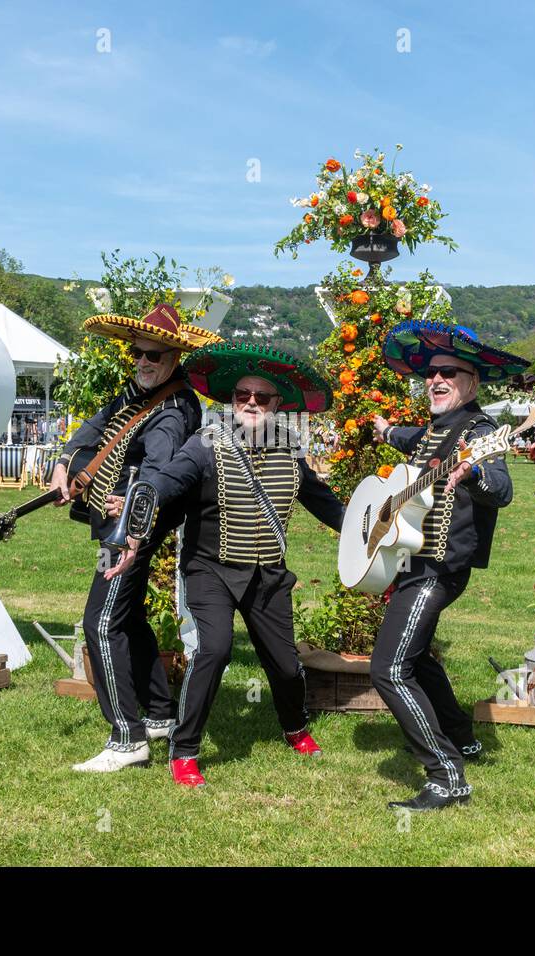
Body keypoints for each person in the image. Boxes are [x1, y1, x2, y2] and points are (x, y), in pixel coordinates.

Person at [106, 343, 344, 788]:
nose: (251, 402)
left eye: (262, 397)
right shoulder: (204, 445)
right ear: (231, 402)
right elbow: (167, 478)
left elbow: (326, 505)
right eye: (242, 395)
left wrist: (368, 532)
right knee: (213, 650)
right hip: (210, 569)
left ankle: (295, 727)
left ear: (278, 405)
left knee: (287, 665)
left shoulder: (290, 452)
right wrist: (140, 510)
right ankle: (186, 749)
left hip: (268, 575)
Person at [364, 319, 528, 812]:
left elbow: (502, 490)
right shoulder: (436, 428)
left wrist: (473, 471)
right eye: (430, 374)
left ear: (472, 383)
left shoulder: (477, 432)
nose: (435, 380)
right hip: (411, 562)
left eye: (449, 374)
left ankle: (446, 774)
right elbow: (414, 437)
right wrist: (386, 430)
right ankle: (462, 734)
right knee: (417, 658)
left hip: (438, 568)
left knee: (389, 669)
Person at [50, 303, 220, 773]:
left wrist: (131, 521)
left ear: (174, 359)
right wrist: (65, 460)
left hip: (132, 531)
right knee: (129, 617)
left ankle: (127, 737)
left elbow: (159, 468)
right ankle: (161, 714)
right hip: (122, 523)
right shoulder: (137, 390)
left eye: (154, 356)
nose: (143, 362)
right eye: (138, 355)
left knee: (100, 623)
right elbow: (96, 424)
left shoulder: (174, 409)